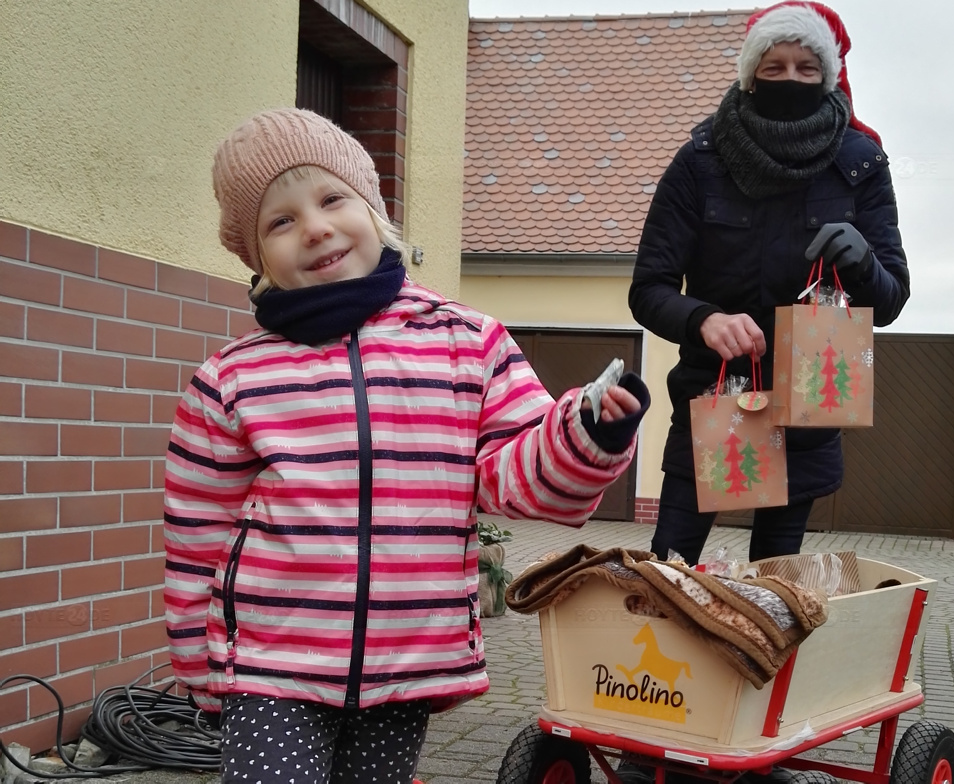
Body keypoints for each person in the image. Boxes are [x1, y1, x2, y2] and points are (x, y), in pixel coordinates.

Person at [163, 108, 650, 783]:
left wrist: (586, 434)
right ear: (257, 256)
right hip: (273, 663)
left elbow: (520, 477)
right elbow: (196, 534)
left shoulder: (467, 343)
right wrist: (198, 665)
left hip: (405, 662)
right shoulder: (234, 378)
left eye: (333, 198)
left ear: (372, 204)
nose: (316, 227)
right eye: (280, 220)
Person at [629, 1, 910, 568]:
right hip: (714, 397)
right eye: (774, 66)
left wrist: (860, 260)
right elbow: (649, 287)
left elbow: (892, 300)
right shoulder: (700, 162)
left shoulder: (859, 164)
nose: (790, 78)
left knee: (775, 584)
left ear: (827, 76)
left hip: (807, 405)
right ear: (751, 72)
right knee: (668, 573)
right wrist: (705, 319)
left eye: (807, 67)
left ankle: (761, 661)